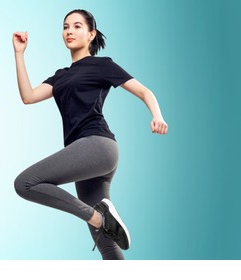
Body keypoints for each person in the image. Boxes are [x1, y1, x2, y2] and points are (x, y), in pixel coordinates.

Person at [12, 9, 168, 260]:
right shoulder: (60, 76)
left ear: (91, 34)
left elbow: (144, 91)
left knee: (25, 183)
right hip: (84, 157)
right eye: (65, 27)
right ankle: (102, 219)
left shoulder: (102, 65)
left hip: (97, 146)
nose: (69, 31)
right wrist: (19, 54)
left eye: (76, 26)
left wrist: (157, 116)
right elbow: (28, 97)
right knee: (107, 245)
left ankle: (98, 216)